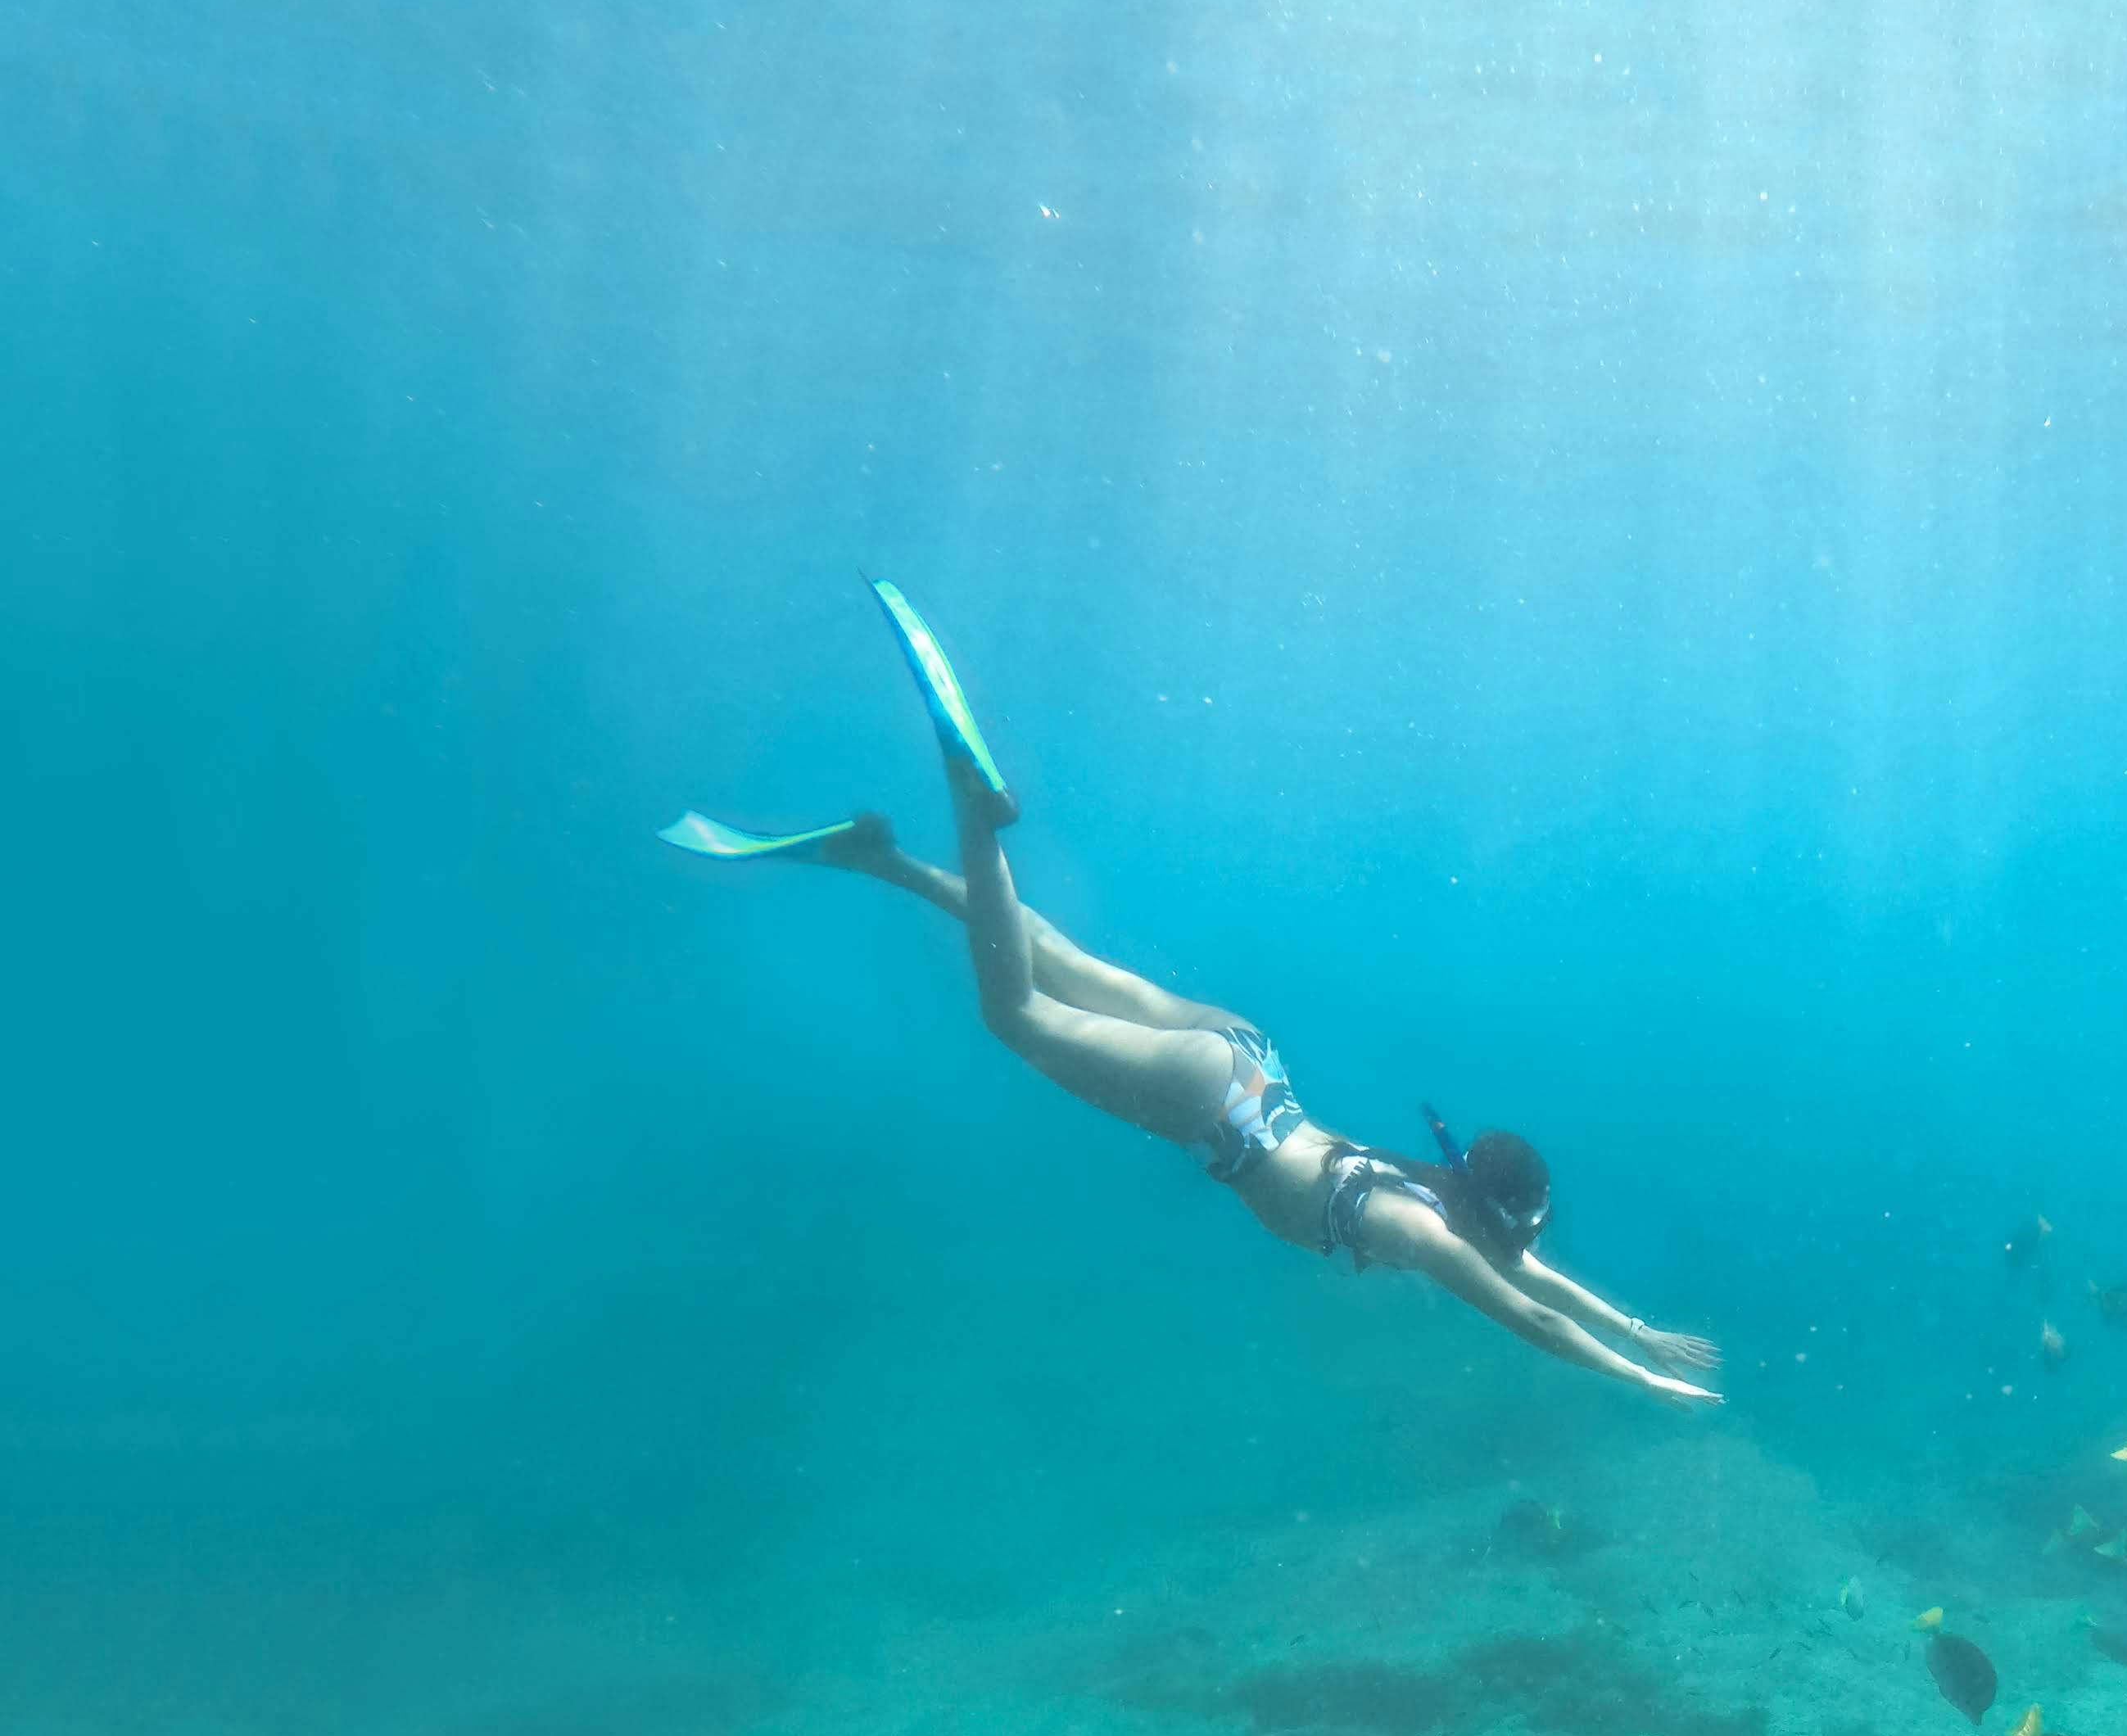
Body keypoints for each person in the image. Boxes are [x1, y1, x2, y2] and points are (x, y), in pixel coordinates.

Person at [659, 582, 1720, 1402]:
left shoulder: (1445, 1197)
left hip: (1251, 1057)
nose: (1525, 1250)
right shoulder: (1426, 1232)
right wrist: (1639, 1374)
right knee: (1016, 1010)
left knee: (1056, 955)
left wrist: (1638, 1328)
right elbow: (1524, 1314)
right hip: (1220, 1106)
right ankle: (970, 804)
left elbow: (1539, 1283)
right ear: (1493, 1212)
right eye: (1520, 1232)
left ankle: (878, 859)